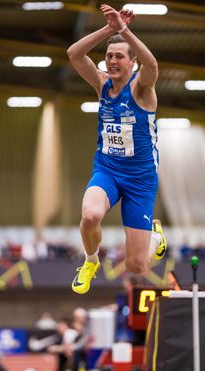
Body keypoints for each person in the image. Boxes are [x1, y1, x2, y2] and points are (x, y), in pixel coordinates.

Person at [67, 4, 166, 294]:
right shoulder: (101, 84)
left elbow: (153, 66)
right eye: (109, 56)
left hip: (140, 178)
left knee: (137, 266)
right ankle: (90, 262)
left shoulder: (142, 89)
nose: (112, 61)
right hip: (108, 170)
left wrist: (124, 30)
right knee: (90, 215)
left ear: (131, 62)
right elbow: (74, 54)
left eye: (119, 56)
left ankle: (156, 242)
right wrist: (109, 30)